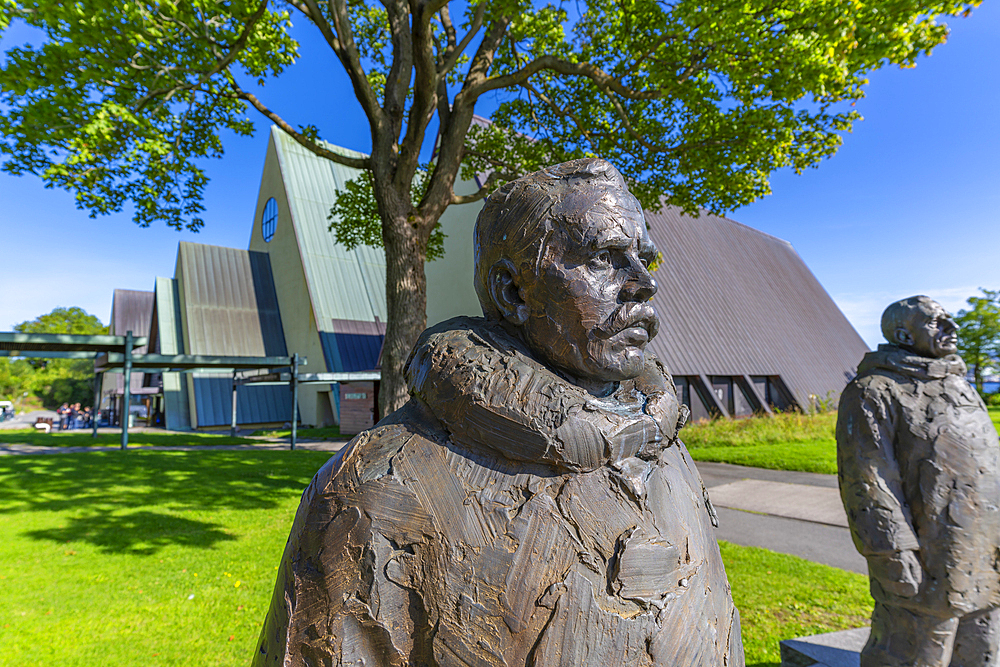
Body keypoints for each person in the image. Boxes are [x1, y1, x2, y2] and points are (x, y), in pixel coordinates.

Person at [253, 159, 743, 666]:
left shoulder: (667, 446)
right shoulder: (372, 489)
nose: (644, 283)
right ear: (513, 292)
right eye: (603, 258)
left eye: (645, 258)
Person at [837, 296, 1000, 667]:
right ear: (902, 335)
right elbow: (868, 477)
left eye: (949, 319)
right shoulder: (873, 391)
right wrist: (890, 553)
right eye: (935, 322)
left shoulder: (961, 387)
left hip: (984, 554)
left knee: (982, 652)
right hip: (927, 561)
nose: (951, 328)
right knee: (915, 654)